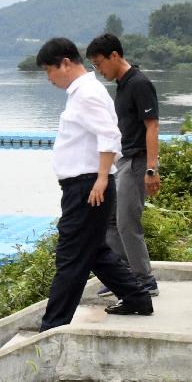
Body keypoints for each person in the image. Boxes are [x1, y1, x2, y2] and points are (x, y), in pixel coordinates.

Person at [35, 38, 153, 331]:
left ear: (65, 63)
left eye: (49, 71)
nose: (49, 79)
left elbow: (110, 136)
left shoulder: (87, 93)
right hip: (84, 184)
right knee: (95, 251)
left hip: (88, 185)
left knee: (70, 255)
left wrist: (101, 178)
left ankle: (53, 324)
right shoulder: (80, 93)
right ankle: (137, 298)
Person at [85, 34, 160, 297]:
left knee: (127, 222)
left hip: (137, 161)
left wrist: (152, 168)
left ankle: (144, 279)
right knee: (110, 222)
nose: (98, 70)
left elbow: (152, 126)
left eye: (99, 64)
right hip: (121, 161)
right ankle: (122, 276)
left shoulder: (139, 83)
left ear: (114, 56)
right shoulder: (122, 85)